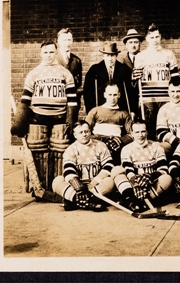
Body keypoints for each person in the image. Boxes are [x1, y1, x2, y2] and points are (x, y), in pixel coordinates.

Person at [11, 40, 78, 192]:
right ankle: (38, 186)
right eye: (45, 52)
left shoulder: (65, 73)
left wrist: (71, 121)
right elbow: (26, 100)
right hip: (37, 117)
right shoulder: (34, 73)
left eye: (51, 52)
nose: (48, 55)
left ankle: (58, 187)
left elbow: (72, 99)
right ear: (41, 54)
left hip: (59, 117)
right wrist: (20, 123)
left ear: (56, 53)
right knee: (38, 150)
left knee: (60, 151)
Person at [52, 121, 146, 212]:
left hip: (96, 184)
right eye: (81, 132)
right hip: (78, 187)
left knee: (110, 181)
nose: (84, 134)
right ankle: (90, 202)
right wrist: (79, 188)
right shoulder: (71, 149)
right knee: (57, 181)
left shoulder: (100, 145)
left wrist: (96, 180)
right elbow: (69, 170)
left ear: (90, 132)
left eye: (86, 131)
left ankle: (75, 201)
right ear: (75, 135)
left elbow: (108, 165)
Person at [132, 23, 180, 137]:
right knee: (149, 127)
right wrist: (134, 76)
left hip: (165, 98)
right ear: (147, 39)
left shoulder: (168, 54)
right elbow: (135, 81)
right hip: (148, 98)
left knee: (166, 126)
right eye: (152, 37)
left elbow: (175, 79)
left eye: (157, 37)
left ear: (160, 37)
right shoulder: (140, 56)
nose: (155, 40)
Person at [120, 119, 173, 206]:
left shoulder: (156, 146)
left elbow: (163, 169)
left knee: (167, 178)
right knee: (117, 171)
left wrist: (151, 177)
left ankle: (142, 201)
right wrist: (136, 184)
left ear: (147, 132)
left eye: (143, 131)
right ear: (132, 134)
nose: (140, 135)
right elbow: (128, 170)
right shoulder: (126, 149)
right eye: (137, 132)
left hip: (151, 182)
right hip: (134, 183)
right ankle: (130, 197)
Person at [85, 83, 133, 164]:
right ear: (105, 95)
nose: (112, 98)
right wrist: (96, 140)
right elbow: (85, 130)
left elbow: (132, 133)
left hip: (115, 145)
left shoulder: (124, 113)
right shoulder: (95, 111)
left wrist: (120, 140)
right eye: (110, 94)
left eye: (115, 95)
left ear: (119, 95)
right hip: (97, 144)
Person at [83, 42, 136, 114]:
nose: (110, 59)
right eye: (107, 56)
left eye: (112, 55)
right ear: (103, 56)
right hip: (101, 110)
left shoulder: (124, 70)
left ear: (116, 55)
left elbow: (131, 93)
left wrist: (132, 111)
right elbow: (88, 94)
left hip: (120, 110)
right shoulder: (94, 70)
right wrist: (91, 112)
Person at [56, 28, 83, 105]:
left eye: (69, 40)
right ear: (58, 41)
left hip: (73, 102)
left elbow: (78, 84)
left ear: (72, 41)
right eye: (64, 40)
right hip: (58, 102)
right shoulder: (54, 59)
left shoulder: (77, 61)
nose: (67, 43)